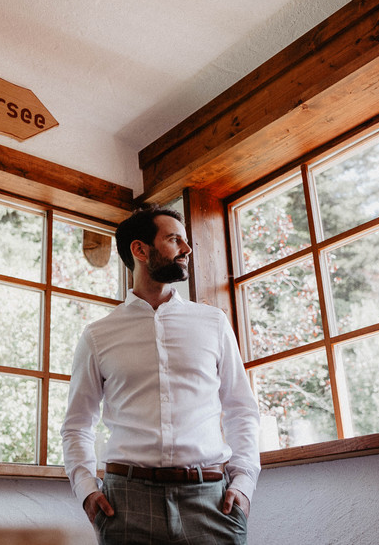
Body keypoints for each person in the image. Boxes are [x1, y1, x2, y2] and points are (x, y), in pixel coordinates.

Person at [61, 205, 260, 544]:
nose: (187, 249)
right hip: (126, 504)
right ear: (140, 250)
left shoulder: (214, 323)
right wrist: (86, 489)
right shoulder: (97, 335)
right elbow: (77, 424)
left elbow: (242, 409)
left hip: (213, 500)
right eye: (174, 239)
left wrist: (243, 483)